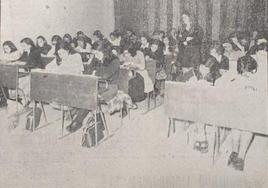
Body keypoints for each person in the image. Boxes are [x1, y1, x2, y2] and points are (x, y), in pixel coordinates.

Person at [66, 47, 120, 133]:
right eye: (95, 53)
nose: (96, 55)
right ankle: (91, 117)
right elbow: (87, 71)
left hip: (110, 87)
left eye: (98, 53)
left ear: (105, 52)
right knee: (80, 91)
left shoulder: (115, 61)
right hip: (96, 85)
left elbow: (106, 75)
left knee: (90, 97)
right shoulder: (96, 59)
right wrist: (93, 63)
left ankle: (77, 121)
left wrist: (96, 71)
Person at [176, 12, 204, 81]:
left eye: (185, 17)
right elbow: (179, 40)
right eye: (182, 17)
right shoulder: (181, 28)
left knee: (194, 73)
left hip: (194, 54)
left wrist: (187, 41)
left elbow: (198, 40)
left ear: (190, 17)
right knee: (185, 73)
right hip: (184, 54)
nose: (183, 19)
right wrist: (186, 38)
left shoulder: (197, 28)